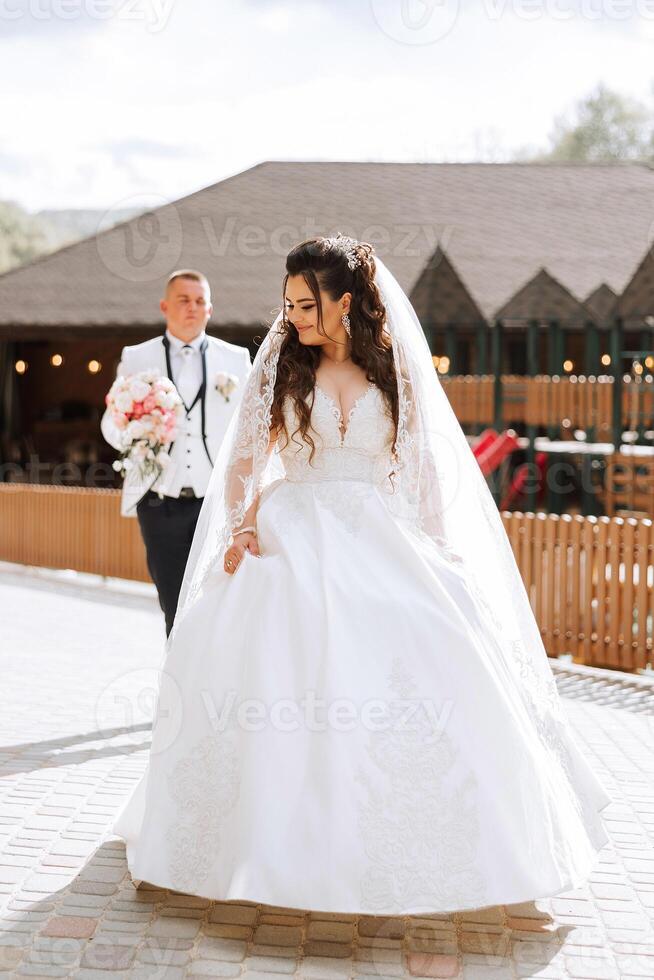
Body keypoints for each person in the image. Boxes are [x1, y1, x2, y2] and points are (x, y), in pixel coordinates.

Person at [110, 236, 611, 916]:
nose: (294, 318)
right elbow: (245, 464)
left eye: (307, 304)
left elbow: (423, 469)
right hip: (290, 531)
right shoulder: (280, 369)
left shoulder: (393, 370)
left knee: (430, 654)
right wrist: (243, 525)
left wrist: (438, 546)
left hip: (381, 531)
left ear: (346, 303)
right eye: (287, 304)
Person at [100, 269, 252, 636]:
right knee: (173, 603)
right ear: (165, 306)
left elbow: (250, 428)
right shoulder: (137, 357)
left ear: (210, 309)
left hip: (215, 501)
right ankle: (179, 686)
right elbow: (110, 424)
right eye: (183, 300)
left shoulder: (235, 359)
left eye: (200, 301)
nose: (192, 308)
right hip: (159, 501)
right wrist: (137, 431)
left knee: (215, 599)